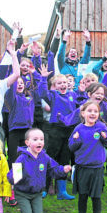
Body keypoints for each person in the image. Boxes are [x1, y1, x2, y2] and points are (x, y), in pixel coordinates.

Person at [7, 128, 71, 213]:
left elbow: (53, 169)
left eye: (41, 139)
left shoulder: (44, 157)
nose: (39, 142)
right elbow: (12, 176)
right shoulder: (22, 158)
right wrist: (14, 177)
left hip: (36, 193)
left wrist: (63, 170)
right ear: (27, 143)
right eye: (35, 139)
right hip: (22, 193)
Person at [69, 100, 107, 213]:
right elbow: (72, 147)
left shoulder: (101, 126)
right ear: (83, 113)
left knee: (96, 198)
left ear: (98, 114)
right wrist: (75, 141)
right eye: (89, 111)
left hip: (97, 169)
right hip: (82, 169)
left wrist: (104, 136)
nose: (92, 113)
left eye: (95, 111)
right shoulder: (78, 128)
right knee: (83, 198)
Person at [38, 65, 80, 200]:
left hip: (70, 130)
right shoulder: (53, 95)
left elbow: (82, 104)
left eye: (65, 83)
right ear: (55, 86)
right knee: (51, 156)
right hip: (56, 128)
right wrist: (44, 78)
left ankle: (62, 190)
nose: (63, 85)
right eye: (59, 83)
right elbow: (42, 93)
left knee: (64, 157)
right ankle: (44, 187)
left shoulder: (73, 95)